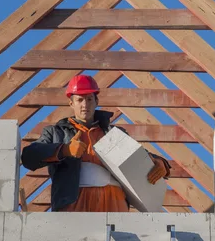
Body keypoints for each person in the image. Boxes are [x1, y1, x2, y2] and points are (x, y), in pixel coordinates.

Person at [20, 74, 171, 212]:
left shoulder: (113, 134)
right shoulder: (55, 133)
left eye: (89, 99)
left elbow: (139, 156)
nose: (85, 104)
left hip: (114, 205)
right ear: (71, 103)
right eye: (79, 99)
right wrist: (64, 150)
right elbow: (28, 157)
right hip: (74, 208)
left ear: (96, 101)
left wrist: (160, 163)